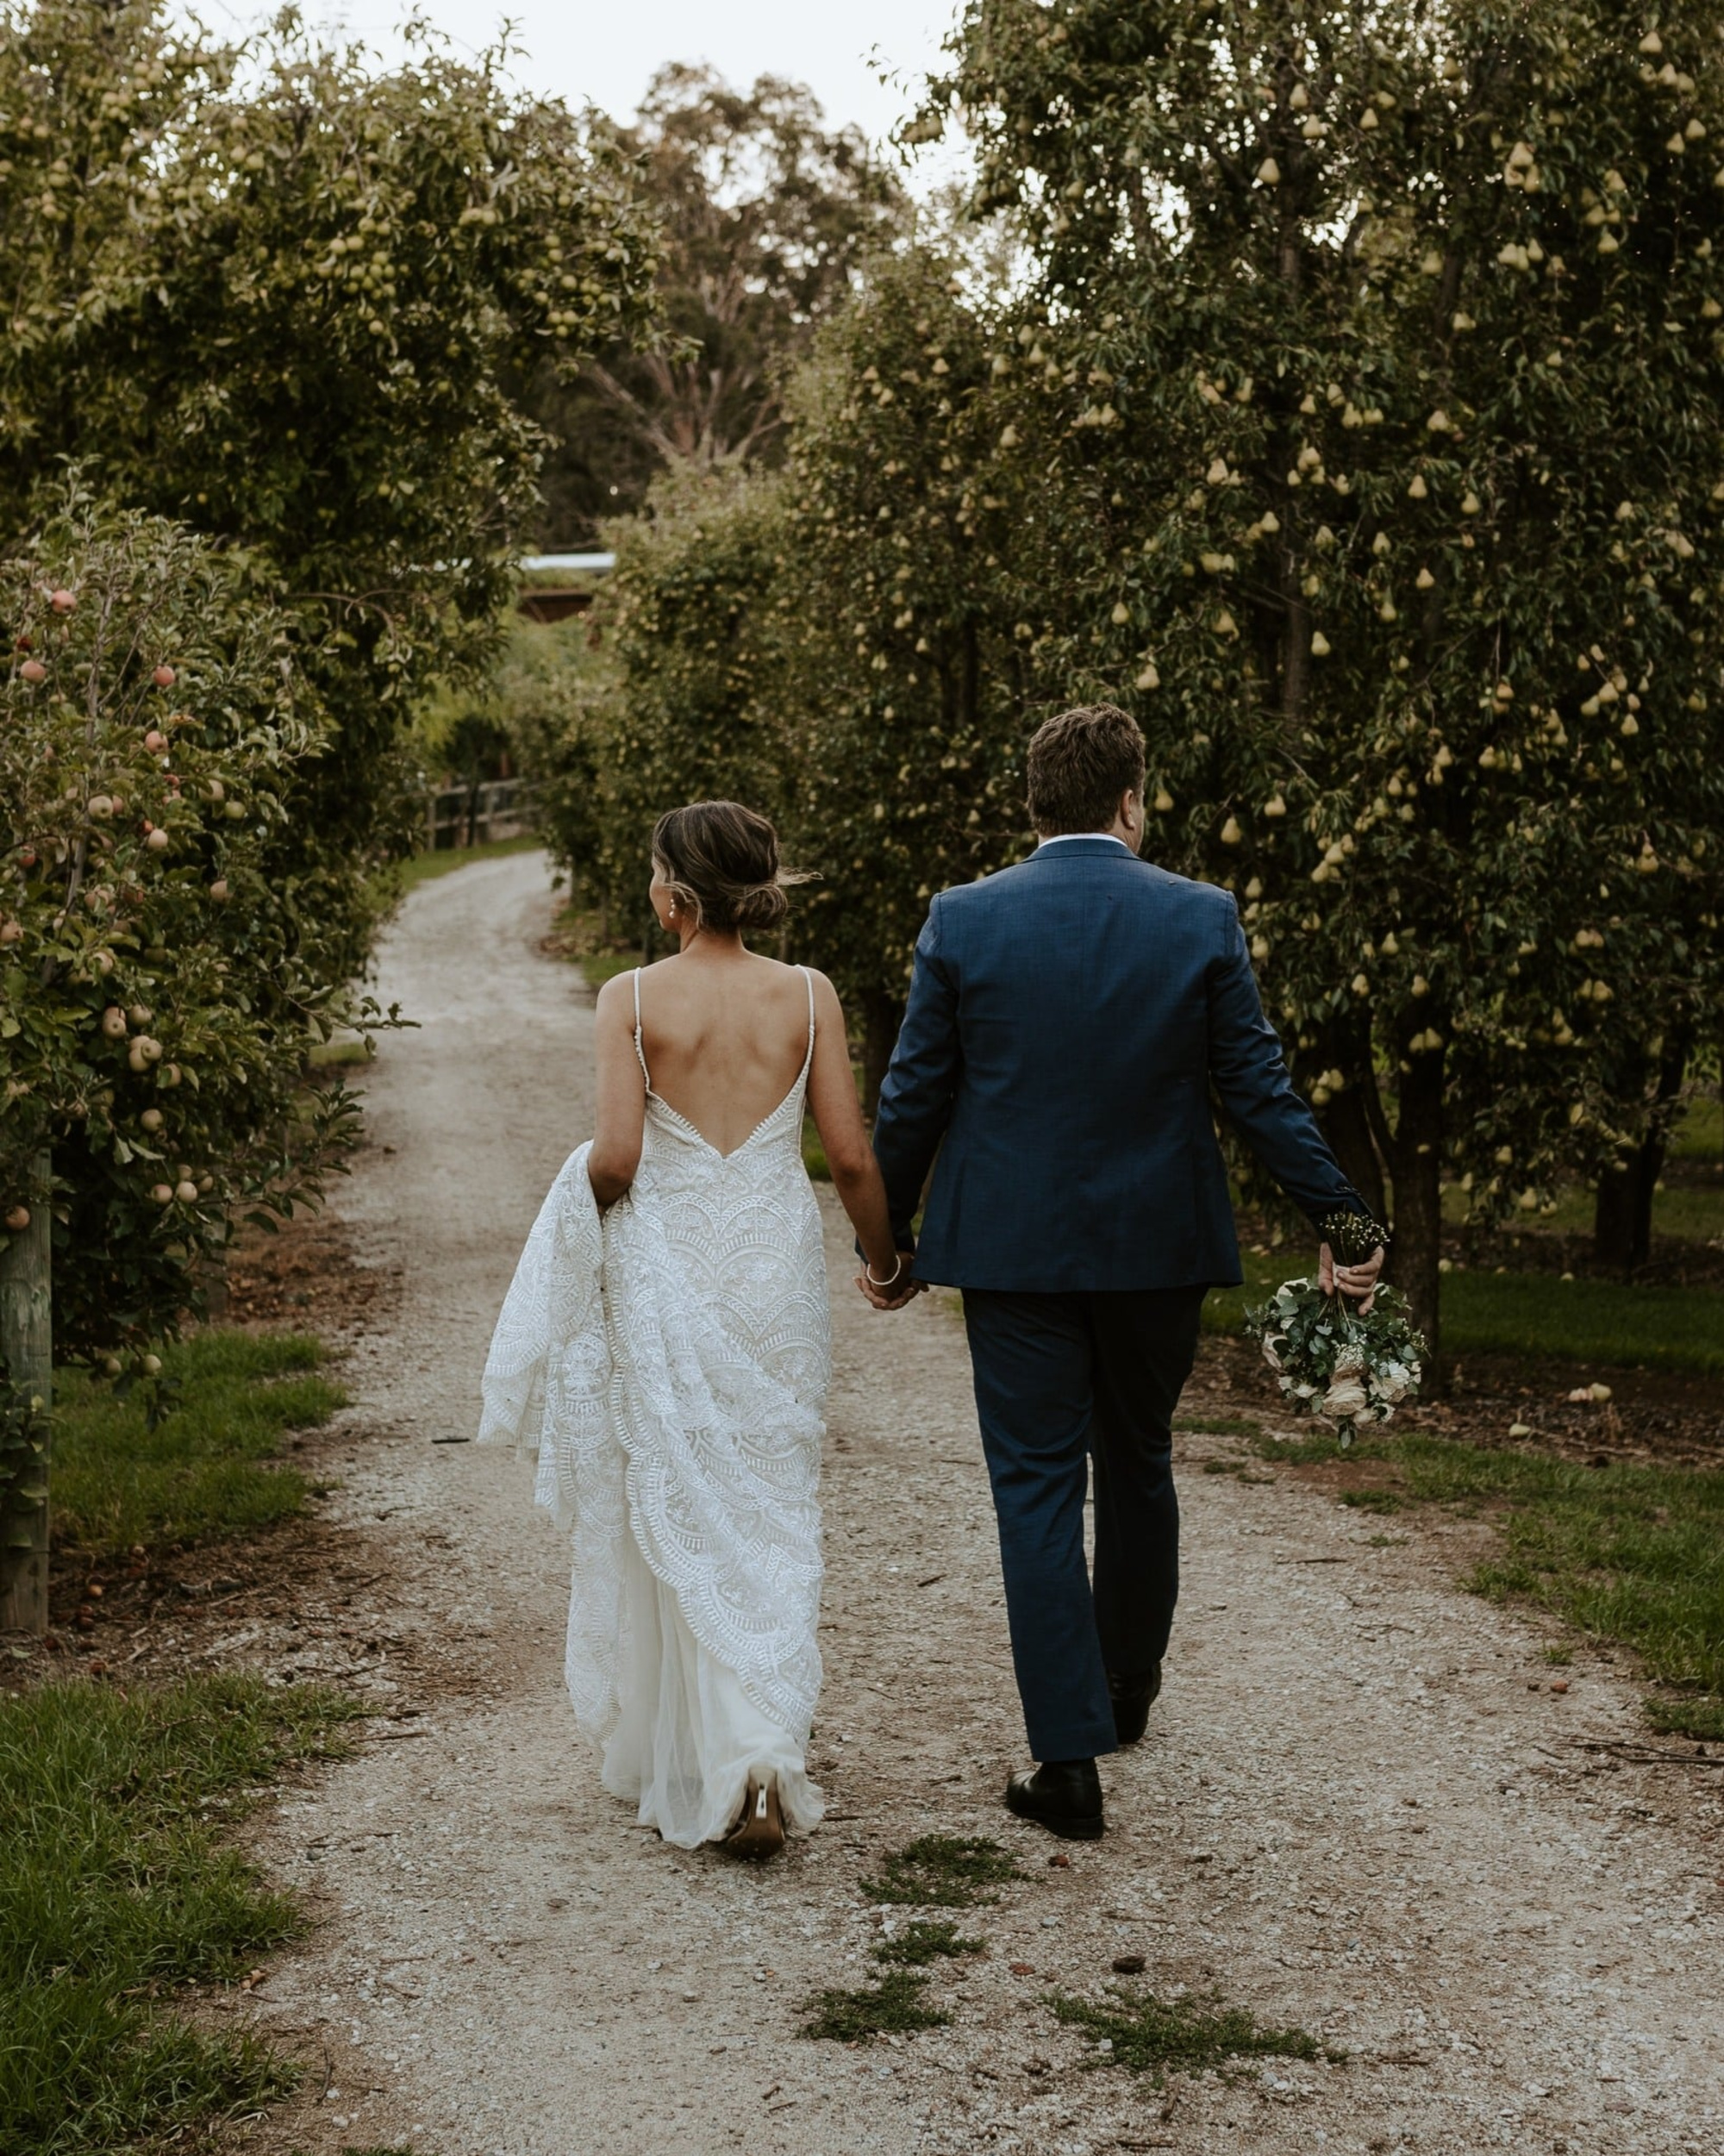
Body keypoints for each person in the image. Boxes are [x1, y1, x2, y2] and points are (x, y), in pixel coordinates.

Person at [863, 703, 1386, 1841]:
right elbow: (1258, 1088)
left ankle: (1069, 1759)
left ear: (1034, 801)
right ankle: (1127, 1690)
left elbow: (912, 1097)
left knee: (1037, 1485)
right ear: (1131, 801)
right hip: (1157, 1248)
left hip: (1011, 1252)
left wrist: (886, 1238)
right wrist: (1345, 1219)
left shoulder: (964, 918)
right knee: (1138, 1457)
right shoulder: (1199, 916)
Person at [478, 801, 906, 1859]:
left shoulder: (629, 999)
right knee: (768, 1495)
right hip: (770, 1271)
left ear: (672, 891)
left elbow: (616, 1161)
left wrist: (565, 1209)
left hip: (671, 1268)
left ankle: (711, 1757)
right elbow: (849, 1155)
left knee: (678, 1490)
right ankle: (758, 1749)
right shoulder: (809, 995)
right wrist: (886, 1260)